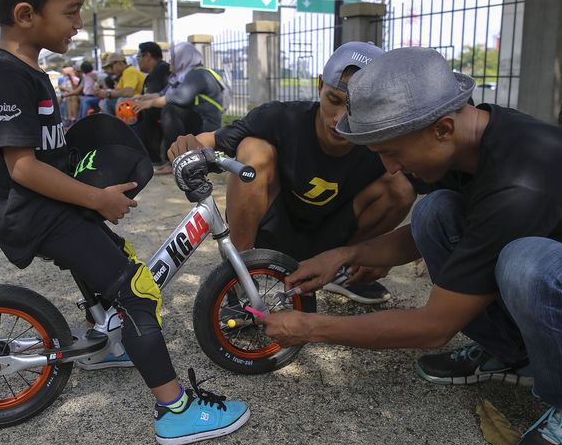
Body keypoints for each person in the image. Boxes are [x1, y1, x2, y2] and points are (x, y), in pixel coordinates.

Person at [260, 47, 562, 445]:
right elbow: (445, 237)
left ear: (442, 129)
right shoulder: (472, 143)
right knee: (436, 212)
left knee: (530, 263)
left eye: (391, 152)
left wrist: (311, 328)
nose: (390, 168)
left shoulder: (521, 183)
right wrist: (346, 254)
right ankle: (512, 354)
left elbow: (433, 328)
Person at [0, 0, 249, 445]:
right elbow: (23, 167)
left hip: (50, 207)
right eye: (71, 11)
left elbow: (49, 149)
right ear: (26, 14)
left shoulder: (23, 69)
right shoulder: (7, 76)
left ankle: (107, 343)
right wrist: (97, 199)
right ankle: (175, 410)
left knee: (117, 262)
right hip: (38, 213)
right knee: (138, 292)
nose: (78, 23)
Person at [167, 42, 416, 304]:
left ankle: (342, 269)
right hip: (273, 232)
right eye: (334, 100)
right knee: (253, 149)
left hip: (334, 236)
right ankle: (240, 274)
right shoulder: (281, 118)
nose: (340, 119)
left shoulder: (383, 140)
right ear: (320, 85)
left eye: (358, 107)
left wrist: (380, 255)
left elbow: (435, 189)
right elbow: (210, 140)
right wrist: (187, 144)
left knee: (400, 187)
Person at [135, 42, 223, 175]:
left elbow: (181, 98)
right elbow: (163, 94)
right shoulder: (182, 76)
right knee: (160, 108)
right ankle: (160, 156)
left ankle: (175, 161)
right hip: (195, 120)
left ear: (183, 58)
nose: (170, 63)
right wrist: (143, 98)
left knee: (170, 110)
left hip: (206, 125)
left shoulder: (198, 74)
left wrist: (150, 103)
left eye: (173, 59)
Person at [131, 41, 171, 166]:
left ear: (147, 56)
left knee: (146, 110)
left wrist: (144, 102)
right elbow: (151, 95)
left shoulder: (162, 69)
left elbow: (159, 98)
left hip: (168, 111)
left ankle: (152, 156)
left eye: (139, 57)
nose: (138, 61)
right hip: (162, 109)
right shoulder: (150, 76)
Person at [99, 52, 145, 117]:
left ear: (119, 63)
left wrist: (108, 93)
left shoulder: (129, 71)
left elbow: (128, 93)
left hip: (140, 102)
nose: (111, 70)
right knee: (109, 100)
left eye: (111, 66)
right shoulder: (123, 74)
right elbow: (118, 91)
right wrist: (105, 93)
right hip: (136, 102)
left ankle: (111, 122)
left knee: (113, 101)